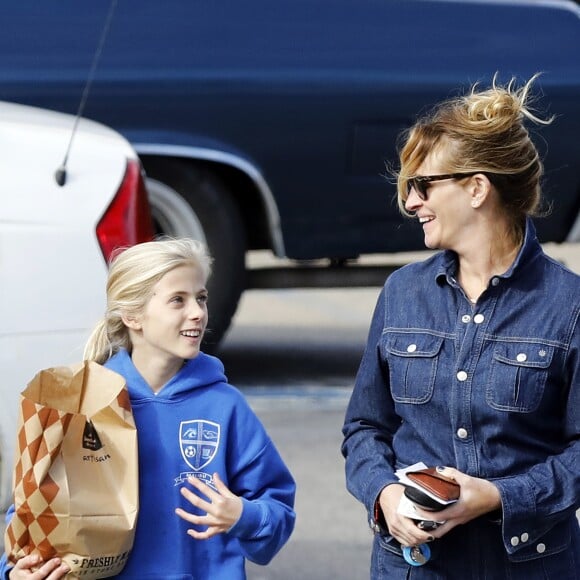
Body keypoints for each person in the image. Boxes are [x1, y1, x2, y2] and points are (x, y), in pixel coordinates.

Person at [341, 74, 580, 578]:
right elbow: (365, 427)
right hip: (412, 566)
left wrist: (496, 496)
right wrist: (384, 495)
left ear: (476, 189)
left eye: (423, 185)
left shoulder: (570, 304)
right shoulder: (402, 293)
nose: (410, 202)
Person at [1, 238, 296, 579]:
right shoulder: (80, 405)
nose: (198, 312)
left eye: (201, 298)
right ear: (132, 315)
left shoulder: (226, 407)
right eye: (178, 300)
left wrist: (242, 515)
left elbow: (276, 510)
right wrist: (14, 572)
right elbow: (30, 512)